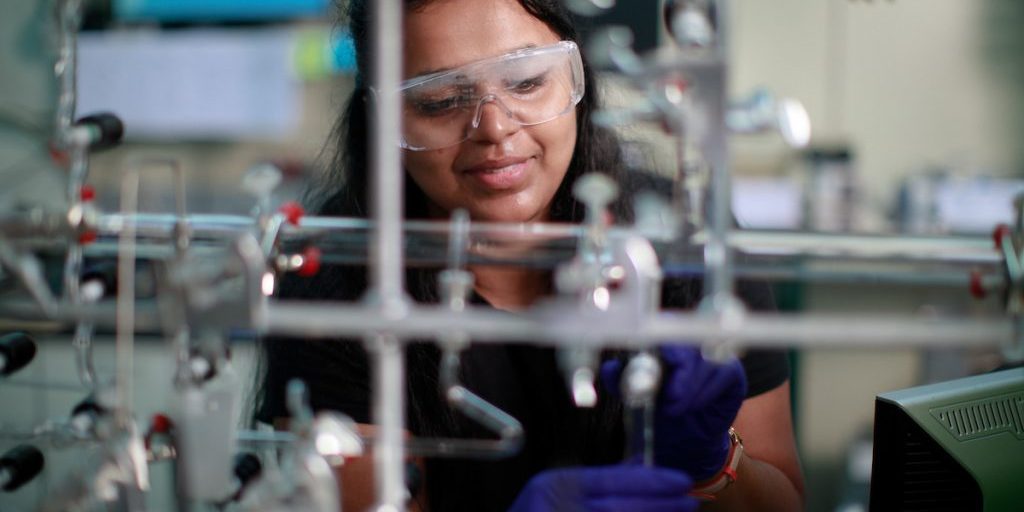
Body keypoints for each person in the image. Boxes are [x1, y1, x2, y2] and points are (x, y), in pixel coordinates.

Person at [255, 0, 805, 510]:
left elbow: (787, 501)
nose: (494, 129)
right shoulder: (333, 278)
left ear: (575, 75)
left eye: (526, 81)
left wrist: (711, 468)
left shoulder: (685, 242)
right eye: (440, 101)